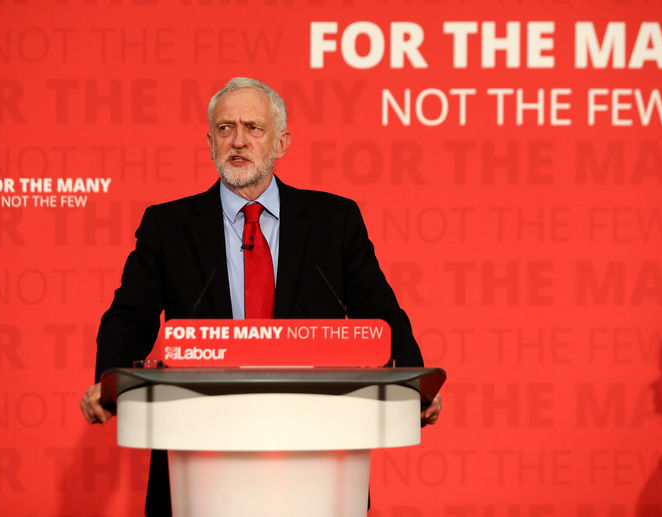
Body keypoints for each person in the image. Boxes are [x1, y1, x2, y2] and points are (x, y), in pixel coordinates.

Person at [80, 77, 442, 516]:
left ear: (281, 141)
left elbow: (380, 309)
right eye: (225, 128)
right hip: (199, 444)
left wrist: (412, 383)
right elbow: (130, 315)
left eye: (253, 127)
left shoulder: (333, 220)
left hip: (314, 448)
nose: (238, 141)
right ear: (209, 140)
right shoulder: (168, 225)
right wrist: (108, 380)